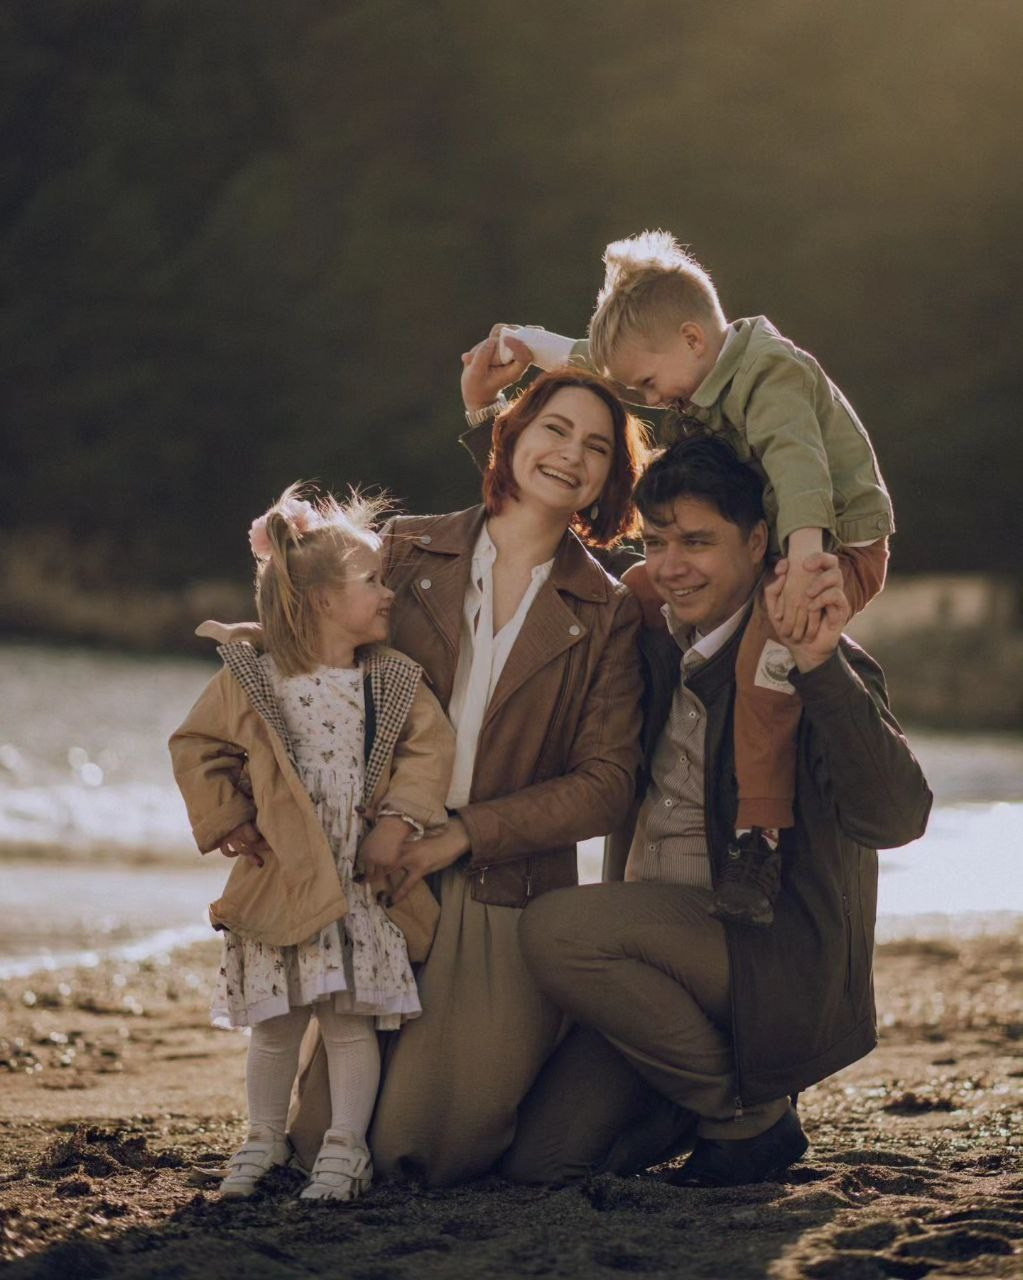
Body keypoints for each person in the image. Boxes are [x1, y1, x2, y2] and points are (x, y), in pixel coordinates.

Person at [208, 352, 651, 1186]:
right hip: (364, 862)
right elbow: (301, 651)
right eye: (554, 428)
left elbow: (607, 785)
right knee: (317, 1146)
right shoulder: (405, 553)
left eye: (597, 446)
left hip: (499, 881)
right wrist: (237, 798)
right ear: (510, 438)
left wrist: (461, 836)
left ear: (609, 479)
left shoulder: (608, 610)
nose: (571, 454)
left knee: (428, 1148)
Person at [505, 434, 931, 1187]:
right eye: (657, 541)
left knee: (559, 929)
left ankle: (746, 1120)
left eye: (697, 541)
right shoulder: (647, 640)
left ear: (758, 539)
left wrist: (820, 667)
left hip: (768, 962)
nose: (671, 565)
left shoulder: (809, 656)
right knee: (546, 1163)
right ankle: (707, 1099)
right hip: (652, 968)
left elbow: (895, 817)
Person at [486, 229, 895, 927]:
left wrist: (802, 565)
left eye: (647, 386)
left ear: (692, 341)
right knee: (629, 597)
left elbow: (800, 468)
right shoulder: (694, 364)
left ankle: (754, 840)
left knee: (766, 660)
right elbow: (607, 363)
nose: (647, 399)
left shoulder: (771, 374)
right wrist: (526, 344)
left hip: (832, 545)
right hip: (774, 545)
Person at [169, 484, 455, 1200]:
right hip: (284, 873)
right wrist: (228, 815)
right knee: (273, 1024)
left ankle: (344, 1148)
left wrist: (400, 818)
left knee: (348, 1023)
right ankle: (262, 1139)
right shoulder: (254, 677)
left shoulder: (389, 684)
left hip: (356, 878)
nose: (387, 594)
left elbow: (429, 752)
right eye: (371, 581)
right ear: (323, 599)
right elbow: (197, 745)